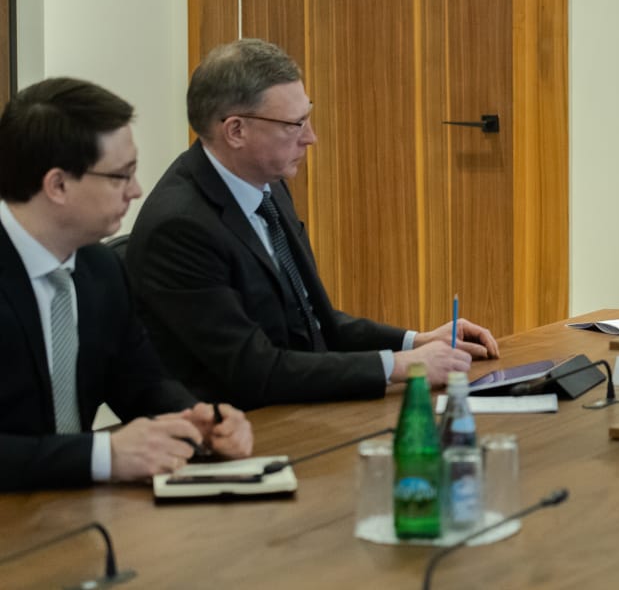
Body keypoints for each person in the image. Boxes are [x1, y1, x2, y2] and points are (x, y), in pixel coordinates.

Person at [128, 39, 500, 409]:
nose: (311, 137)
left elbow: (314, 323)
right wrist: (401, 366)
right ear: (236, 131)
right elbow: (254, 371)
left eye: (307, 116)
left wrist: (415, 341)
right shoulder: (180, 227)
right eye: (295, 124)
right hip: (235, 425)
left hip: (297, 405)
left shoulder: (268, 184)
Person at [0, 78, 254, 491]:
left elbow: (142, 384)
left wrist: (200, 421)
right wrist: (103, 456)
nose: (136, 192)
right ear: (58, 185)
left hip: (76, 510)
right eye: (121, 176)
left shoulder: (101, 268)